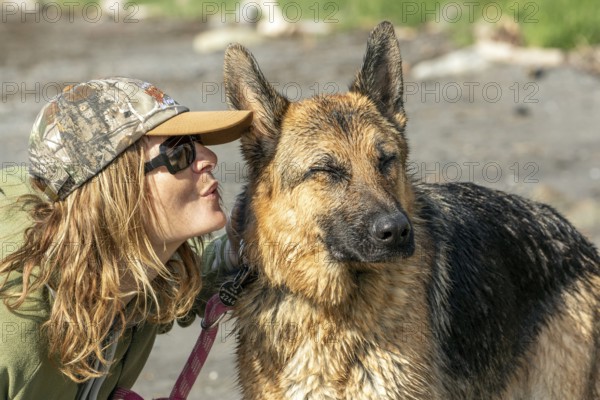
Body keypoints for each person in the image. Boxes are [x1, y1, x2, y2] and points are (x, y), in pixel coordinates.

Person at [0, 77, 251, 399]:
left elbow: (189, 288)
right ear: (115, 187)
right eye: (180, 152)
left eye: (197, 142)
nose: (209, 158)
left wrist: (245, 244)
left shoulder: (135, 272)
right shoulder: (15, 323)